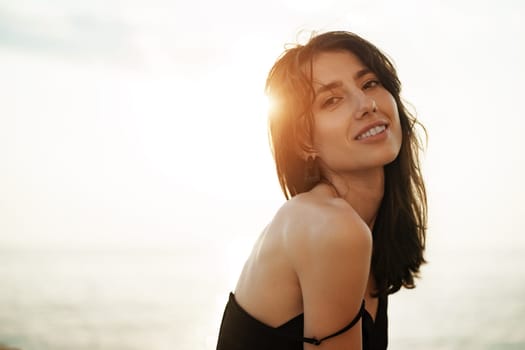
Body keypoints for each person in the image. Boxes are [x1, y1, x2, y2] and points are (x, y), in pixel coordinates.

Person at [216, 31, 427, 350]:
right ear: (305, 142)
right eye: (332, 100)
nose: (366, 104)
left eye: (369, 83)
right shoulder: (331, 226)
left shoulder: (363, 227)